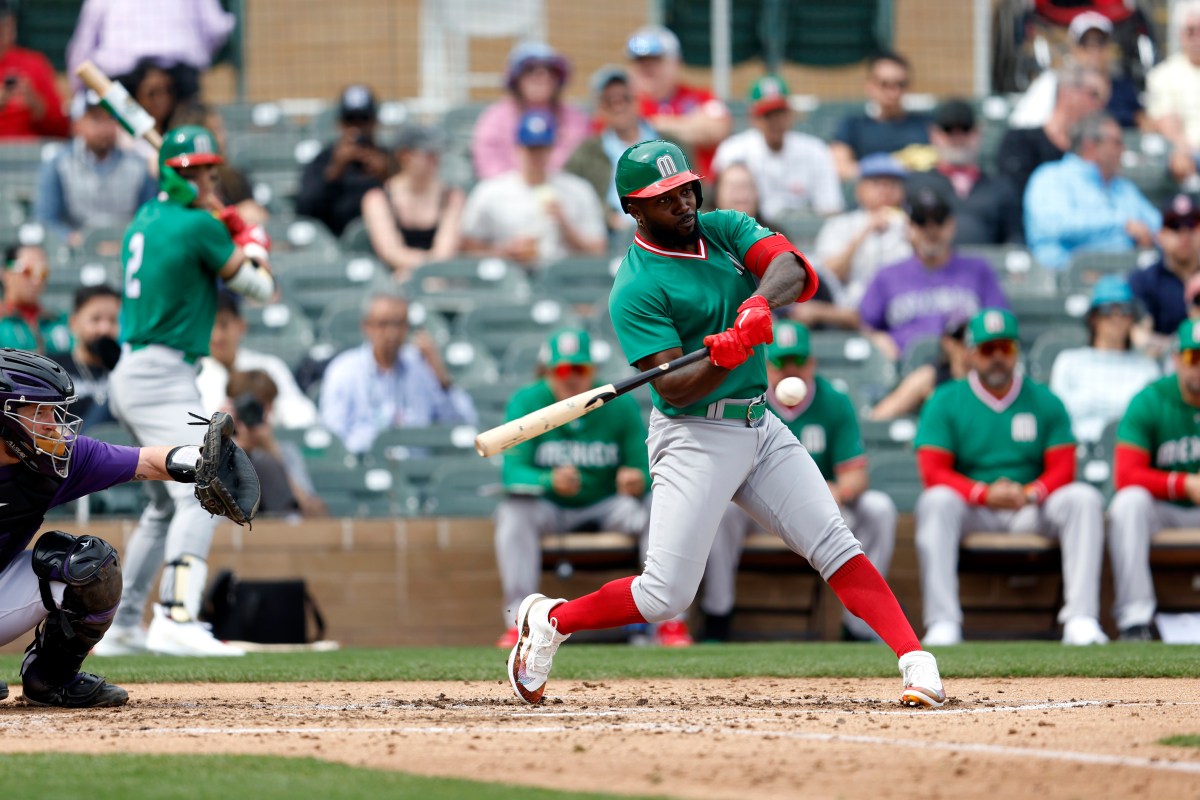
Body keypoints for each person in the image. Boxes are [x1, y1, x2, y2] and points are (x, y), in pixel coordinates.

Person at [505, 139, 946, 709]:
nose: (685, 202)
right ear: (633, 209)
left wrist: (758, 304)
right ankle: (553, 620)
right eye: (666, 198)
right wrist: (730, 351)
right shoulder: (635, 288)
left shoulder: (725, 228)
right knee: (664, 596)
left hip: (759, 424)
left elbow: (792, 269)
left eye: (688, 187)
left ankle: (916, 661)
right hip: (693, 437)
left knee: (834, 543)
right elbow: (674, 388)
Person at [99, 124, 277, 658]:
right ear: (175, 175)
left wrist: (217, 220)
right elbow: (262, 288)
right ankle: (175, 615)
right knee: (205, 482)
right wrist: (250, 237)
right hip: (160, 373)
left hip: (138, 372)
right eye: (194, 172)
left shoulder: (147, 217)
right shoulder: (198, 225)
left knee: (161, 504)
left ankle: (123, 624)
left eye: (209, 172)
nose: (204, 181)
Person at [0, 349, 254, 706]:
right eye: (39, 412)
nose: (54, 425)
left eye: (54, 412)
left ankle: (50, 679)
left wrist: (199, 462)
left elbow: (145, 461)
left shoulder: (55, 460)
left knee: (91, 567)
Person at [913, 308, 1108, 647]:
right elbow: (933, 471)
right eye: (989, 349)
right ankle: (943, 622)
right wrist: (981, 493)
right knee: (934, 502)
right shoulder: (946, 399)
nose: (998, 358)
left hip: (1030, 506)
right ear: (972, 353)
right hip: (975, 509)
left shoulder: (1044, 399)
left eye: (1006, 348)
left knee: (1084, 498)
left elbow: (1064, 466)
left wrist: (1032, 492)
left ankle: (1081, 618)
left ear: (1017, 351)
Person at [701, 321, 897, 642]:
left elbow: (856, 473)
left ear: (812, 363)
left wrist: (841, 489)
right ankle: (717, 616)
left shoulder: (833, 400)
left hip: (816, 511)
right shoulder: (746, 399)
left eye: (798, 360)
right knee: (724, 511)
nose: (791, 369)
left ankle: (858, 629)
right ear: (765, 363)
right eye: (781, 361)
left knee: (879, 508)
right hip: (756, 510)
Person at [494, 328, 650, 649]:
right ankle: (518, 621)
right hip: (548, 506)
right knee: (512, 512)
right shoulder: (528, 401)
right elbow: (512, 472)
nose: (572, 377)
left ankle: (666, 622)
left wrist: (637, 480)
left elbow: (646, 468)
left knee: (658, 509)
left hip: (608, 504)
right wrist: (548, 480)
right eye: (563, 369)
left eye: (580, 369)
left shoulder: (617, 404)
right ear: (548, 371)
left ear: (592, 370)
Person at [1108, 318, 1200, 641]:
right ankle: (1135, 620)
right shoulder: (1150, 399)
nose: (1198, 367)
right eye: (1193, 357)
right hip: (1165, 510)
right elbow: (1126, 474)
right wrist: (1185, 484)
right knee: (1128, 503)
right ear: (1176, 359)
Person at [318, 290, 476, 456]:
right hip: (364, 466)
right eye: (383, 324)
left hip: (416, 472)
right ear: (367, 326)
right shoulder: (344, 370)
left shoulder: (420, 366)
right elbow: (333, 437)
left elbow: (463, 422)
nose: (392, 333)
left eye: (399, 324)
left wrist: (440, 373)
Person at [859, 187, 1009, 361]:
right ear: (909, 228)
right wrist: (877, 339)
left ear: (951, 224)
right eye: (921, 221)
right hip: (904, 367)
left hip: (965, 369)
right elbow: (865, 325)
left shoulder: (978, 269)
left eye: (938, 220)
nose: (931, 229)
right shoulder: (887, 275)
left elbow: (999, 322)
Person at [715, 163, 858, 332]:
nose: (740, 194)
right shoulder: (702, 241)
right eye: (733, 187)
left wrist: (816, 311)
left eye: (746, 187)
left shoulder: (774, 235)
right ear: (716, 194)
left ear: (757, 194)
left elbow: (850, 316)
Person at [462, 110, 606, 271]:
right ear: (518, 148)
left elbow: (598, 250)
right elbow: (466, 247)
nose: (536, 155)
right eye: (530, 148)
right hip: (508, 278)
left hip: (562, 279)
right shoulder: (490, 192)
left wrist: (565, 225)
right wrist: (503, 251)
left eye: (542, 148)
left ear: (551, 149)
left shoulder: (577, 190)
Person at [1024, 112, 1160, 271]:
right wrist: (1122, 224)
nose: (1123, 149)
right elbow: (1056, 225)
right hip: (1070, 279)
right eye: (1117, 142)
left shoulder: (1123, 187)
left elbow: (1156, 225)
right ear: (1090, 147)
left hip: (1128, 277)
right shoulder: (1051, 177)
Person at [35, 91, 157, 249]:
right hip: (75, 258)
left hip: (126, 252)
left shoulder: (139, 166)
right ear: (77, 124)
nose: (104, 128)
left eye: (110, 119)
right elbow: (46, 219)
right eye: (96, 119)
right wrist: (70, 238)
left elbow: (150, 219)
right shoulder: (58, 164)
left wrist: (130, 241)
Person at [712, 75, 843, 221]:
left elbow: (830, 208)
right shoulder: (732, 150)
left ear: (790, 114)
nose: (775, 122)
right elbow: (719, 206)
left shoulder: (815, 150)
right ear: (753, 119)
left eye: (780, 114)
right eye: (767, 115)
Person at [1049, 276, 1160, 444]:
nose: (1117, 317)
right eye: (1107, 310)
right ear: (1093, 318)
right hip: (1079, 453)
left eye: (1125, 310)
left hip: (1130, 453)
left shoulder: (1147, 368)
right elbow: (1057, 420)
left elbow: (1153, 423)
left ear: (1133, 317)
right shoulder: (1068, 362)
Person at [67, 0, 235, 104]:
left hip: (130, 82)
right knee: (181, 150)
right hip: (136, 82)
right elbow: (217, 28)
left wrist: (78, 92)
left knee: (128, 150)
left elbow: (83, 49)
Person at [905, 98, 1022, 246]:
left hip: (986, 266)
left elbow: (1015, 241)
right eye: (948, 130)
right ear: (933, 134)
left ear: (978, 132)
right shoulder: (914, 183)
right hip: (931, 265)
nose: (957, 137)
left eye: (965, 129)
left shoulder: (1002, 188)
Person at [196, 291, 318, 430]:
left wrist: (269, 414)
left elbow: (305, 415)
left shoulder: (269, 367)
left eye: (224, 325)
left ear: (241, 325)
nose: (217, 336)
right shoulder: (194, 375)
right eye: (209, 326)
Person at [996, 64, 1109, 210]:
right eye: (1094, 94)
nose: (1100, 105)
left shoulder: (1090, 151)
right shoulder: (1020, 141)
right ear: (1067, 92)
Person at [472, 42, 590, 181]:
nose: (542, 75)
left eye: (549, 69)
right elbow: (488, 165)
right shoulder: (495, 118)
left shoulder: (576, 119)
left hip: (564, 192)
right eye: (530, 69)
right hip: (508, 192)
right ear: (516, 78)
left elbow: (586, 164)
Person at [360, 125, 465, 281]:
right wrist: (420, 271)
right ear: (405, 155)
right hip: (393, 282)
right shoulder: (377, 198)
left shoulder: (452, 197)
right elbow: (392, 253)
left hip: (439, 279)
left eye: (437, 154)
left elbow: (445, 253)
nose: (435, 160)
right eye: (428, 154)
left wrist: (419, 273)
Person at [564, 65, 658, 236]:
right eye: (609, 101)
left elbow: (694, 190)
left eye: (625, 98)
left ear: (637, 100)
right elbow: (568, 191)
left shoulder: (669, 142)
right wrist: (606, 215)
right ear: (599, 108)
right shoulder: (587, 151)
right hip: (610, 236)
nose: (618, 106)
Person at [1008, 11, 1142, 130]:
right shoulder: (1051, 82)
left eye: (1101, 43)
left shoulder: (1123, 85)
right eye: (1086, 43)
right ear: (1074, 48)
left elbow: (1143, 122)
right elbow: (1021, 125)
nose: (1093, 51)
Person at [626, 25, 731, 176]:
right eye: (639, 61)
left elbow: (717, 129)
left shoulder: (700, 97)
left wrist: (648, 124)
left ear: (676, 62)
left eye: (655, 60)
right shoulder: (625, 105)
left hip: (701, 191)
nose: (646, 67)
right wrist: (687, 124)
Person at [813, 153, 912, 307]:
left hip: (902, 304)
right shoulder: (839, 224)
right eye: (877, 182)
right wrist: (865, 232)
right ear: (859, 189)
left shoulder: (915, 225)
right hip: (848, 308)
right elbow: (830, 276)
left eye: (892, 183)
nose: (885, 190)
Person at [224, 368, 325, 519]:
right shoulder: (217, 450)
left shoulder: (285, 452)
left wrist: (273, 453)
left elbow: (315, 515)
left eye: (259, 407)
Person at [296, 84, 391, 237]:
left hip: (385, 239)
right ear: (340, 124)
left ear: (374, 123)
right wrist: (335, 170)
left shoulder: (389, 159)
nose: (357, 128)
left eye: (363, 120)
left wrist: (389, 177)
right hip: (333, 240)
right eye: (350, 121)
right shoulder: (323, 160)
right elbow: (304, 210)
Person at [829, 52, 933, 181]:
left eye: (900, 84)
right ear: (869, 86)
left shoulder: (926, 124)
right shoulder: (852, 126)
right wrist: (885, 167)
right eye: (884, 84)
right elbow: (840, 167)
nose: (893, 91)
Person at [168, 101, 266, 224]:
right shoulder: (172, 183)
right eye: (213, 132)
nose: (221, 139)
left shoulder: (235, 180)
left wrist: (239, 215)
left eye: (220, 129)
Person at [1130, 194, 1200, 359]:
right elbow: (1139, 337)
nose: (1185, 234)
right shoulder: (1143, 280)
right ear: (1160, 235)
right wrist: (1181, 345)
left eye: (1191, 225)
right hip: (1162, 369)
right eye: (1175, 226)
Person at [47, 284, 122, 431]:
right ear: (74, 323)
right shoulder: (53, 370)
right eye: (95, 319)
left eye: (113, 320)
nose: (105, 328)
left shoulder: (125, 369)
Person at [869, 314, 970, 420]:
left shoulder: (984, 377)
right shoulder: (929, 377)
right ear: (946, 341)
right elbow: (879, 416)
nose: (962, 345)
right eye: (958, 337)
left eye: (968, 339)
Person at [1145, 0, 1200, 183]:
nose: (1196, 38)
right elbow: (1169, 125)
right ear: (1181, 35)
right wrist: (1186, 152)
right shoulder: (1164, 75)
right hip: (1190, 157)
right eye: (1191, 31)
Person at [0, 0, 70, 139]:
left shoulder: (34, 64)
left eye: (7, 25)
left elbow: (62, 128)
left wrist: (35, 103)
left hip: (32, 154)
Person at [0, 244, 70, 354]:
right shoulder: (3, 320)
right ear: (6, 274)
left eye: (42, 272)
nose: (37, 280)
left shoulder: (59, 321)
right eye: (27, 271)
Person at [116, 60, 178, 167]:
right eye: (152, 93)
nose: (162, 99)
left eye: (167, 90)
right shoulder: (124, 140)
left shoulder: (178, 134)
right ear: (137, 96)